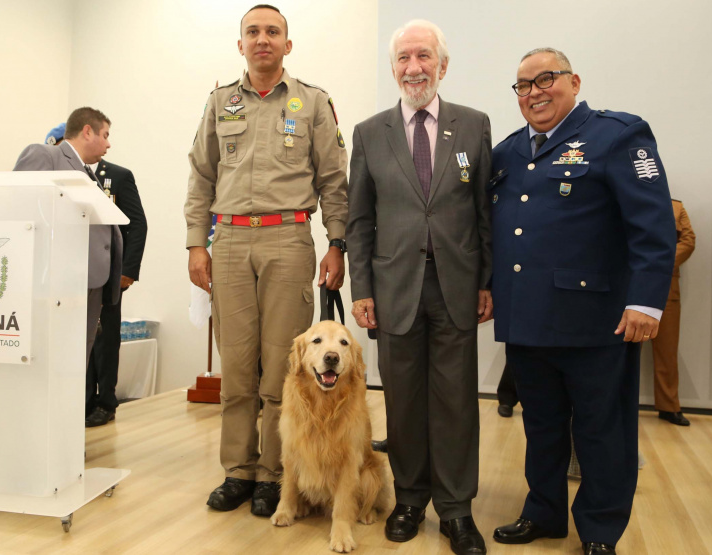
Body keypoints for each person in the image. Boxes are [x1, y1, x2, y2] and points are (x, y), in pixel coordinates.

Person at [489, 48, 675, 555]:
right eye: (523, 86)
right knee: (541, 426)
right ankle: (544, 513)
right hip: (527, 318)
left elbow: (653, 227)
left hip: (597, 321)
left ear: (573, 81)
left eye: (544, 80)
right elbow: (501, 231)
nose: (534, 93)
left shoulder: (617, 135)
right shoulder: (506, 152)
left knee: (601, 431)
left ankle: (599, 530)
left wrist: (646, 302)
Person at [185, 4, 348, 517]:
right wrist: (195, 242)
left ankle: (276, 476)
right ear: (240, 45)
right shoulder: (219, 103)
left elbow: (333, 181)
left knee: (284, 366)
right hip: (229, 242)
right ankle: (238, 469)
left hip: (288, 241)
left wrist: (337, 242)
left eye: (272, 32)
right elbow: (200, 177)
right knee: (235, 366)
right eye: (252, 32)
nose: (262, 39)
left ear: (287, 44)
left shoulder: (312, 102)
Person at [346, 20, 492, 555]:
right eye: (404, 58)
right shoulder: (369, 132)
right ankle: (409, 498)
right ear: (393, 68)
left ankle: (456, 511)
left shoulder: (474, 126)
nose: (414, 67)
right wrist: (363, 288)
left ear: (442, 65)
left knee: (456, 403)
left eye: (424, 57)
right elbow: (359, 219)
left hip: (455, 287)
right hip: (393, 289)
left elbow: (483, 214)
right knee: (403, 401)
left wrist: (486, 281)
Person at [14, 107, 123, 372]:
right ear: (87, 131)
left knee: (73, 366)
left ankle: (68, 414)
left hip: (87, 281)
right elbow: (21, 209)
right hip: (54, 281)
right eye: (105, 135)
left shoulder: (88, 173)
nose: (109, 143)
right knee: (50, 361)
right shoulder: (46, 155)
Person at [84, 151, 148, 428]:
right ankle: (83, 401)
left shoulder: (118, 176)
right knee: (78, 339)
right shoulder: (68, 175)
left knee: (105, 338)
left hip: (109, 272)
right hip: (73, 273)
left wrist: (127, 271)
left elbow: (137, 224)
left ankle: (106, 402)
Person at [653, 199, 695, 426]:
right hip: (625, 284)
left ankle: (669, 406)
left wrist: (653, 263)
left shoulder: (676, 207)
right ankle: (615, 402)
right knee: (621, 350)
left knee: (667, 350)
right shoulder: (623, 200)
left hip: (666, 286)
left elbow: (688, 242)